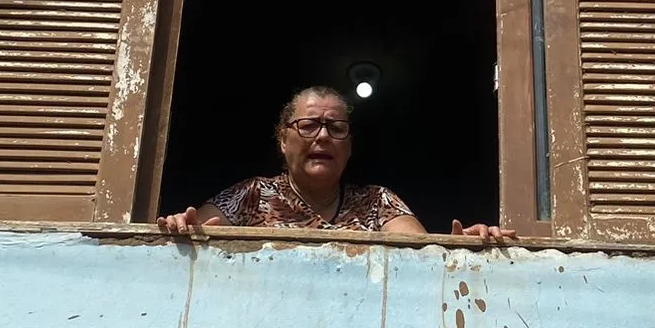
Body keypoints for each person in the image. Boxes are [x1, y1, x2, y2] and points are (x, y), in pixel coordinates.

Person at [158, 85, 515, 241]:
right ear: (283, 140)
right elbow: (199, 227)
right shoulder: (252, 195)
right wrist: (183, 228)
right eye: (309, 125)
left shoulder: (377, 202)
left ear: (349, 146)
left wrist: (463, 248)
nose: (324, 136)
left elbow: (419, 252)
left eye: (337, 127)